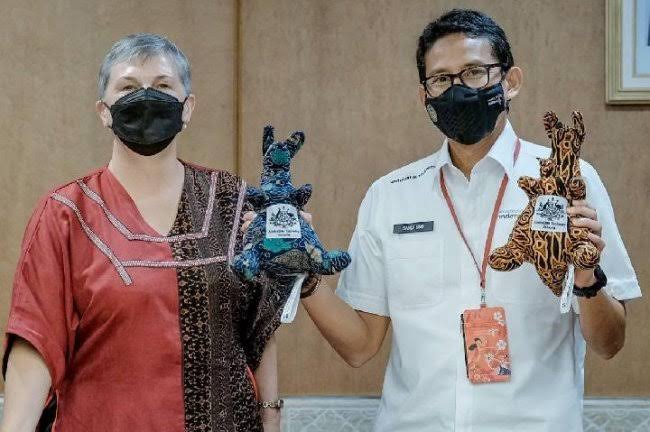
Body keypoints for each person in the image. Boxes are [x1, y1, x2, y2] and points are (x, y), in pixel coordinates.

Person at [291, 9, 641, 431]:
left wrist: (586, 276)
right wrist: (304, 273)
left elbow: (609, 343)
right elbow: (359, 346)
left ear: (510, 82)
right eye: (441, 79)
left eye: (475, 72)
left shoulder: (570, 182)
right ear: (425, 97)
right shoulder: (390, 195)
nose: (458, 89)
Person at [1, 33, 292, 432]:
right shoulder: (65, 213)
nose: (146, 97)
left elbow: (262, 325)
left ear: (188, 108)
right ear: (104, 111)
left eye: (162, 85)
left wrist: (271, 418)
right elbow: (35, 339)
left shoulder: (233, 200)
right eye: (128, 87)